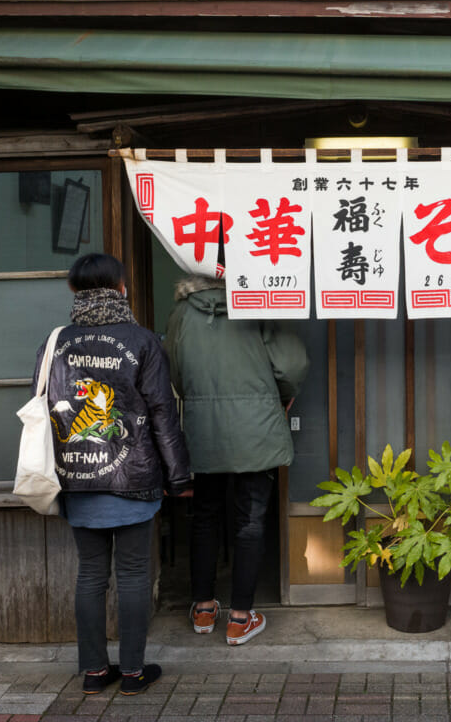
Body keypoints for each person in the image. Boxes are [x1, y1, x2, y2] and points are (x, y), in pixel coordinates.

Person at [34, 253, 190, 695]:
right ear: (122, 289)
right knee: (135, 574)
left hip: (77, 476)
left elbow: (41, 404)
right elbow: (162, 412)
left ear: (74, 292)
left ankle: (94, 671)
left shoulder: (55, 343)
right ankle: (135, 672)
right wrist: (179, 474)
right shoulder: (141, 341)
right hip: (133, 476)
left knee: (90, 574)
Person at [165, 276, 309, 646]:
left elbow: (176, 371)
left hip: (204, 427)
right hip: (256, 428)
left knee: (205, 515)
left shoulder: (182, 313)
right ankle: (240, 617)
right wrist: (283, 395)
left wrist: (197, 399)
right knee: (251, 519)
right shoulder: (257, 303)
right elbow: (291, 365)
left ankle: (203, 608)